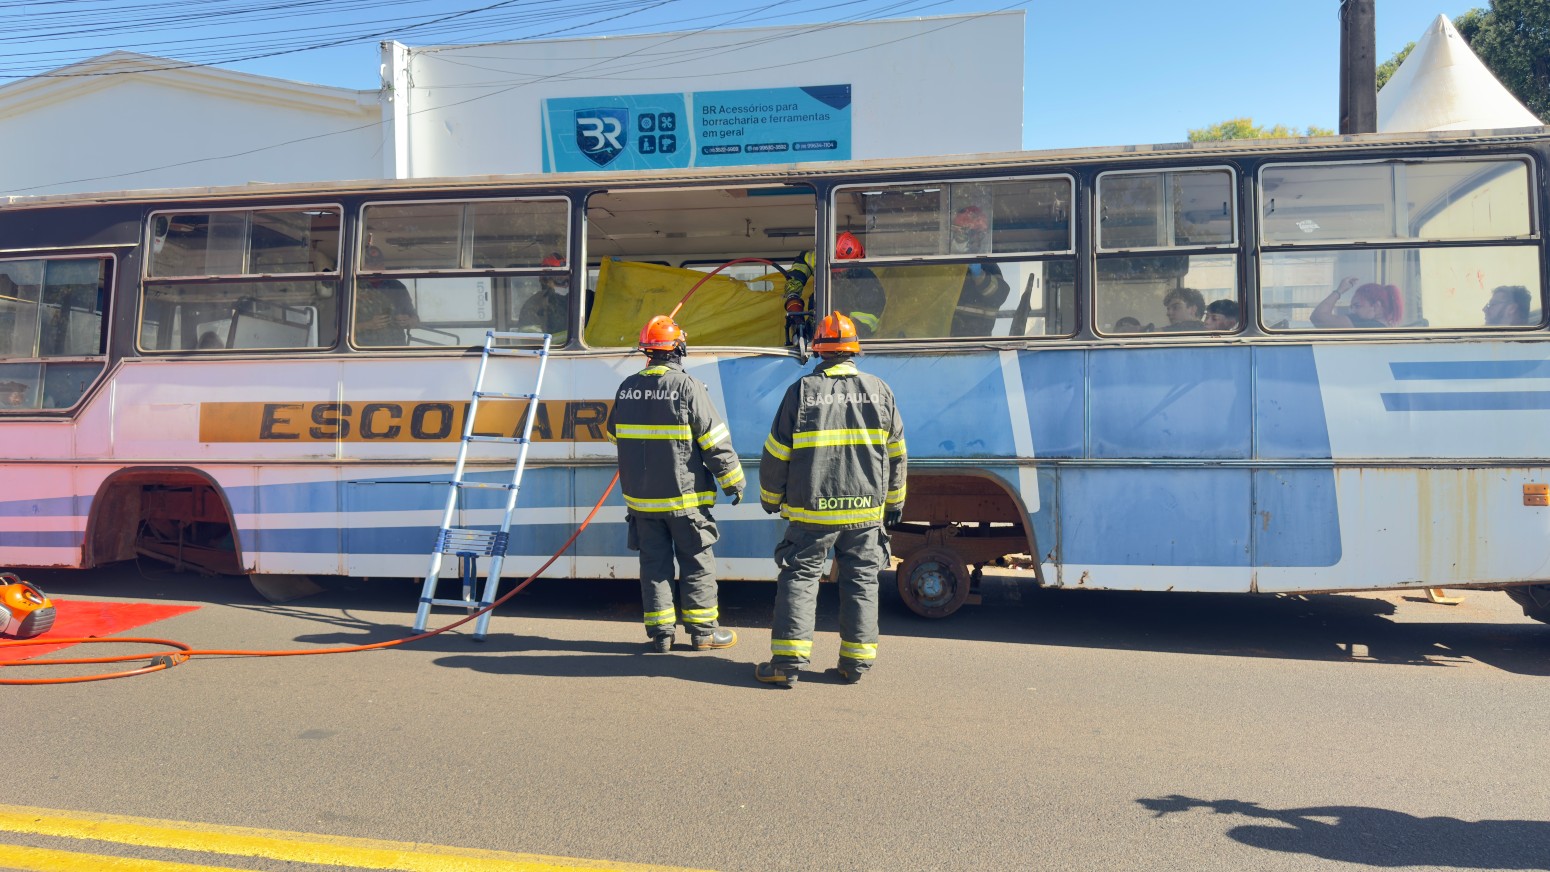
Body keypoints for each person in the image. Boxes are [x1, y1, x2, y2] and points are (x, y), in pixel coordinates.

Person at [754, 312, 906, 687]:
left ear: (819, 349)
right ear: (854, 350)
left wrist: (771, 496)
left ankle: (786, 665)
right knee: (861, 581)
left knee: (800, 578)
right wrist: (894, 503)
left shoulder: (802, 391)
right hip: (865, 512)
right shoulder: (880, 390)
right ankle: (855, 664)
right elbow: (897, 454)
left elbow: (777, 451)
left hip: (812, 511)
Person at [605, 315, 743, 653]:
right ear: (678, 349)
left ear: (648, 351)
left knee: (654, 566)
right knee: (697, 562)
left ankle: (661, 635)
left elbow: (613, 435)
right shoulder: (687, 386)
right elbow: (714, 441)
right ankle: (703, 633)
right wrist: (733, 482)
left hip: (642, 502)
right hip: (685, 500)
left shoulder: (627, 387)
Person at [783, 231, 886, 338]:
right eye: (833, 272)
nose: (836, 276)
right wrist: (793, 293)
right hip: (816, 330)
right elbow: (805, 261)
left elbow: (861, 328)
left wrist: (834, 333)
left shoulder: (868, 286)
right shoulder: (824, 257)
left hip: (845, 340)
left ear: (853, 264)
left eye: (840, 272)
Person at [946, 205, 1011, 336]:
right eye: (958, 234)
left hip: (976, 339)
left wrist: (979, 274)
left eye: (965, 234)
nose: (960, 239)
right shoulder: (946, 264)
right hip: (942, 339)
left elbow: (1000, 295)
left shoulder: (988, 265)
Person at [355, 245, 420, 346]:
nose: (377, 269)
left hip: (394, 349)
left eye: (380, 265)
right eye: (371, 266)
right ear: (361, 267)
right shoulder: (352, 288)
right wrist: (368, 325)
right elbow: (338, 328)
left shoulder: (397, 287)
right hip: (362, 350)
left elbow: (416, 321)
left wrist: (408, 321)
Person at [515, 253, 570, 342]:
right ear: (546, 280)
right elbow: (530, 341)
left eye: (568, 278)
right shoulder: (534, 304)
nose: (565, 284)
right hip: (549, 350)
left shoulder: (586, 298)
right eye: (559, 279)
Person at [1311, 278, 1403, 329]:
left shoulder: (1366, 325)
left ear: (1376, 306)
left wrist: (1339, 291)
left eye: (1357, 306)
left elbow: (1318, 317)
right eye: (1352, 307)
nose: (1353, 311)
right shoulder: (1386, 327)